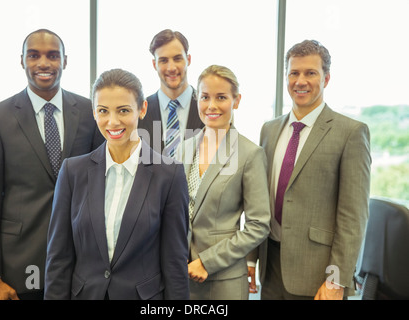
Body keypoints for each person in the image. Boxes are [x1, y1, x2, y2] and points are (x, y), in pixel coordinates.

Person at [0, 29, 104, 300]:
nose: (43, 63)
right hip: (19, 269)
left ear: (65, 61)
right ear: (22, 61)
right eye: (34, 55)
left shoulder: (90, 113)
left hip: (80, 265)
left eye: (52, 55)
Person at [44, 69, 190, 300]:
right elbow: (58, 258)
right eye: (103, 111)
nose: (112, 121)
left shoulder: (169, 175)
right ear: (94, 112)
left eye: (123, 110)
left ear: (142, 109)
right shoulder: (73, 171)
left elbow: (175, 262)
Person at [252, 40, 371, 300]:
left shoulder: (350, 133)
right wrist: (251, 259)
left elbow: (353, 216)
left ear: (326, 78)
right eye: (294, 73)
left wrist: (336, 278)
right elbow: (258, 200)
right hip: (270, 266)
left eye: (310, 73)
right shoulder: (269, 130)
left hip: (317, 274)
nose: (300, 81)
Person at [179, 65, 270, 300]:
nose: (211, 106)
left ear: (236, 100)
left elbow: (258, 225)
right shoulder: (183, 148)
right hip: (181, 277)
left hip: (223, 281)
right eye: (205, 97)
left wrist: (207, 262)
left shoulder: (249, 154)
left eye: (221, 97)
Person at [138, 29, 204, 157]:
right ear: (154, 64)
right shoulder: (140, 111)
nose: (171, 68)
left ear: (188, 59)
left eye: (177, 59)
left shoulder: (207, 107)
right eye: (163, 60)